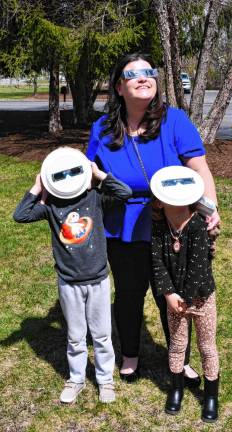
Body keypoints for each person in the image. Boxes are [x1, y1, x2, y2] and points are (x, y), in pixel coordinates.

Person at [86, 52, 220, 382]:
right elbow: (88, 174)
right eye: (135, 74)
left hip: (173, 225)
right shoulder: (102, 129)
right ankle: (130, 354)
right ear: (119, 87)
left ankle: (181, 357)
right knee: (130, 294)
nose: (145, 77)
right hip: (123, 227)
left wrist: (211, 208)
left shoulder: (174, 120)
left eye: (150, 72)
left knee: (173, 296)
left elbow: (198, 167)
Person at [13, 147, 132, 404]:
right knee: (76, 336)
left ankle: (105, 380)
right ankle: (76, 378)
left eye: (74, 170)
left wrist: (98, 174)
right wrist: (38, 186)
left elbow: (125, 193)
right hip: (68, 282)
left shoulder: (96, 199)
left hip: (98, 279)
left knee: (101, 334)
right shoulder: (52, 207)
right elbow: (20, 215)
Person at [150, 166, 219, 422]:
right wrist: (169, 294)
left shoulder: (198, 226)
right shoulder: (158, 229)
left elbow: (198, 268)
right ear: (159, 201)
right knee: (178, 346)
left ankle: (210, 396)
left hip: (201, 298)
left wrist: (187, 299)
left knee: (206, 347)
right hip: (175, 300)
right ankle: (176, 389)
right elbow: (157, 264)